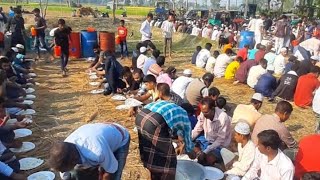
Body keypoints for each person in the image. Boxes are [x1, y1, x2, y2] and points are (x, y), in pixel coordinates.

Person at [48, 123, 130, 180]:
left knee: (115, 177)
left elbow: (110, 171)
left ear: (74, 160)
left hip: (119, 137)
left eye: (63, 169)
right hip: (99, 134)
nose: (62, 171)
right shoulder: (66, 149)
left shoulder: (96, 152)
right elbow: (65, 176)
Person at [136, 100, 193, 179]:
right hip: (154, 122)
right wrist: (189, 150)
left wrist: (181, 142)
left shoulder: (171, 107)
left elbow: (178, 128)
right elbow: (187, 135)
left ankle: (154, 174)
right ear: (190, 114)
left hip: (140, 116)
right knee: (168, 159)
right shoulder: (184, 114)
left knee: (148, 148)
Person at [192, 97, 231, 162]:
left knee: (208, 158)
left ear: (213, 108)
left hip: (219, 146)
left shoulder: (223, 118)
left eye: (206, 112)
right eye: (203, 112)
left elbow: (220, 140)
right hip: (207, 140)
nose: (204, 115)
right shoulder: (203, 113)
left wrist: (205, 152)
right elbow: (197, 129)